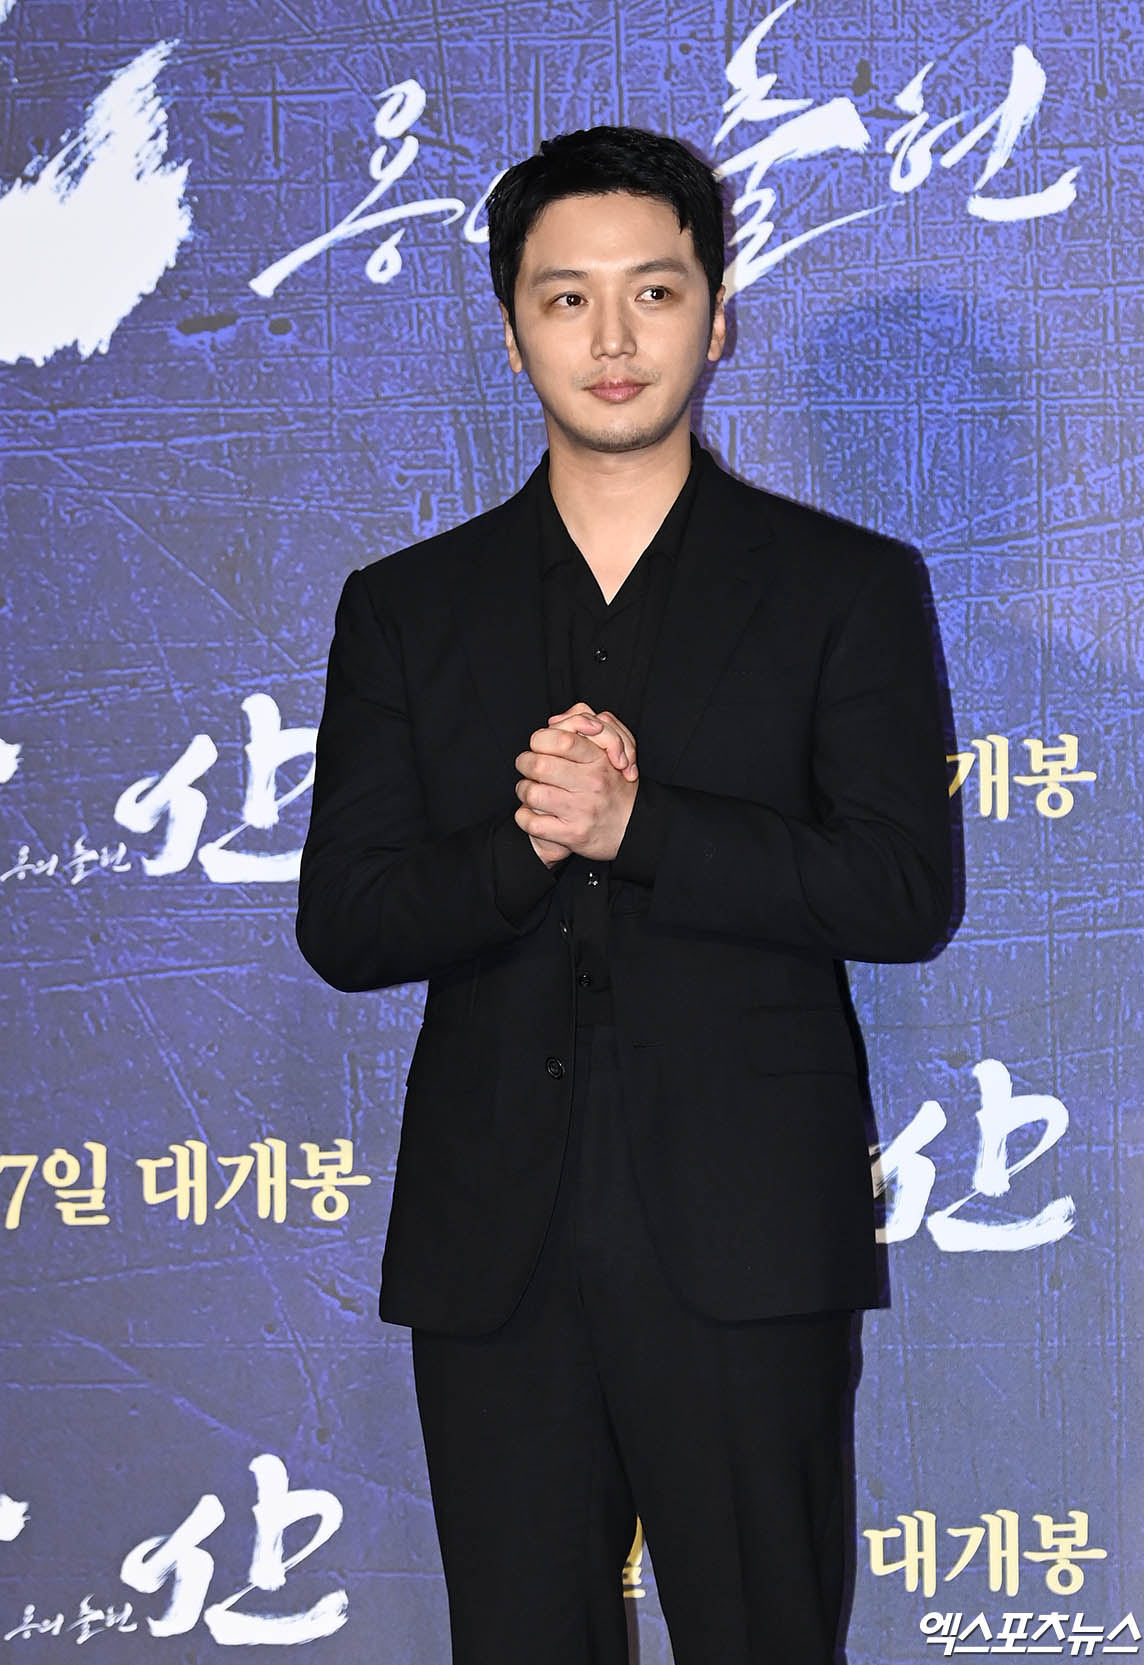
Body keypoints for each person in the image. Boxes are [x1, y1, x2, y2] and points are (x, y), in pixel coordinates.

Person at [296, 124, 953, 1665]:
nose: (611, 338)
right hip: (494, 1251)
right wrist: (523, 847)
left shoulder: (846, 588)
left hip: (749, 1236)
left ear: (716, 319)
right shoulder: (407, 609)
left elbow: (900, 888)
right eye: (566, 297)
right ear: (510, 329)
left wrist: (640, 823)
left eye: (653, 292)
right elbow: (347, 920)